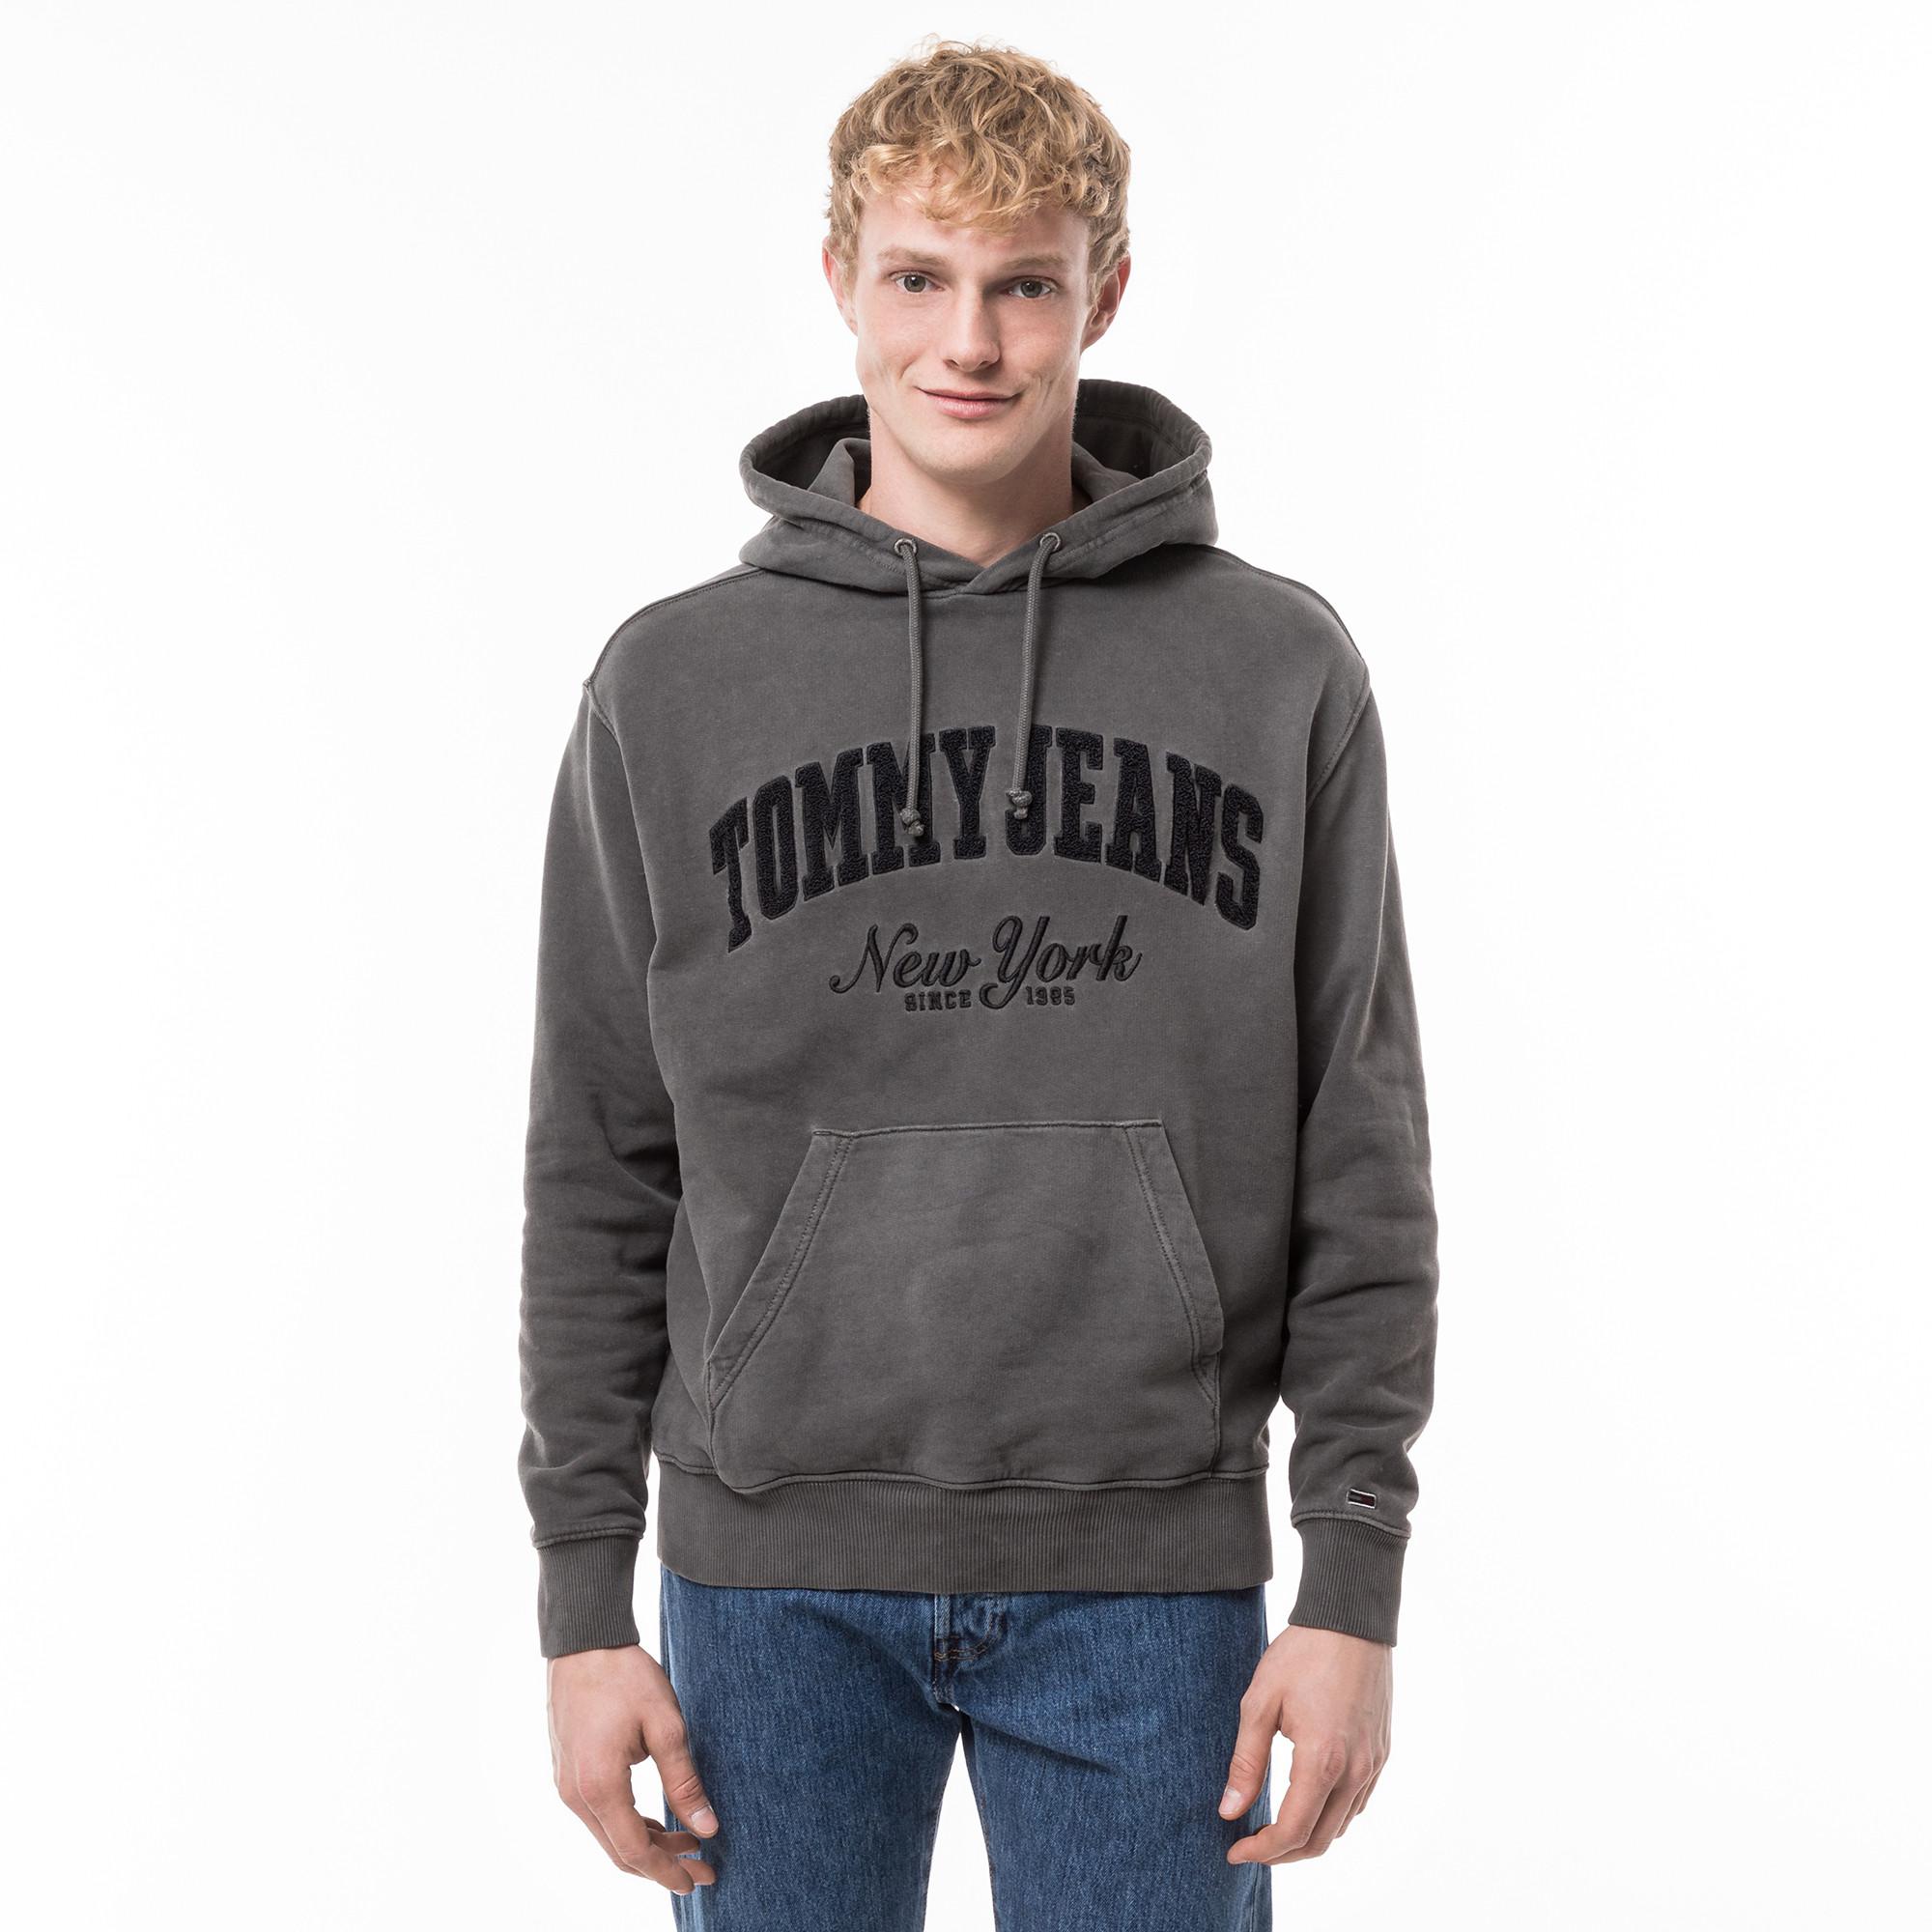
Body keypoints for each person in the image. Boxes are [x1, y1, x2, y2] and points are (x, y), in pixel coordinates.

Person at [517, 36, 1439, 1930]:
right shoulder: (674, 685)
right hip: (768, 1580)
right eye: (920, 277)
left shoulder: (1273, 670)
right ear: (840, 279)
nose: (971, 341)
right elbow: (598, 1156)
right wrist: (580, 1605)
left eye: (1024, 284)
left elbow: (1359, 1134)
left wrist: (1352, 1575)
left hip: (1148, 1574)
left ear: (1105, 292)